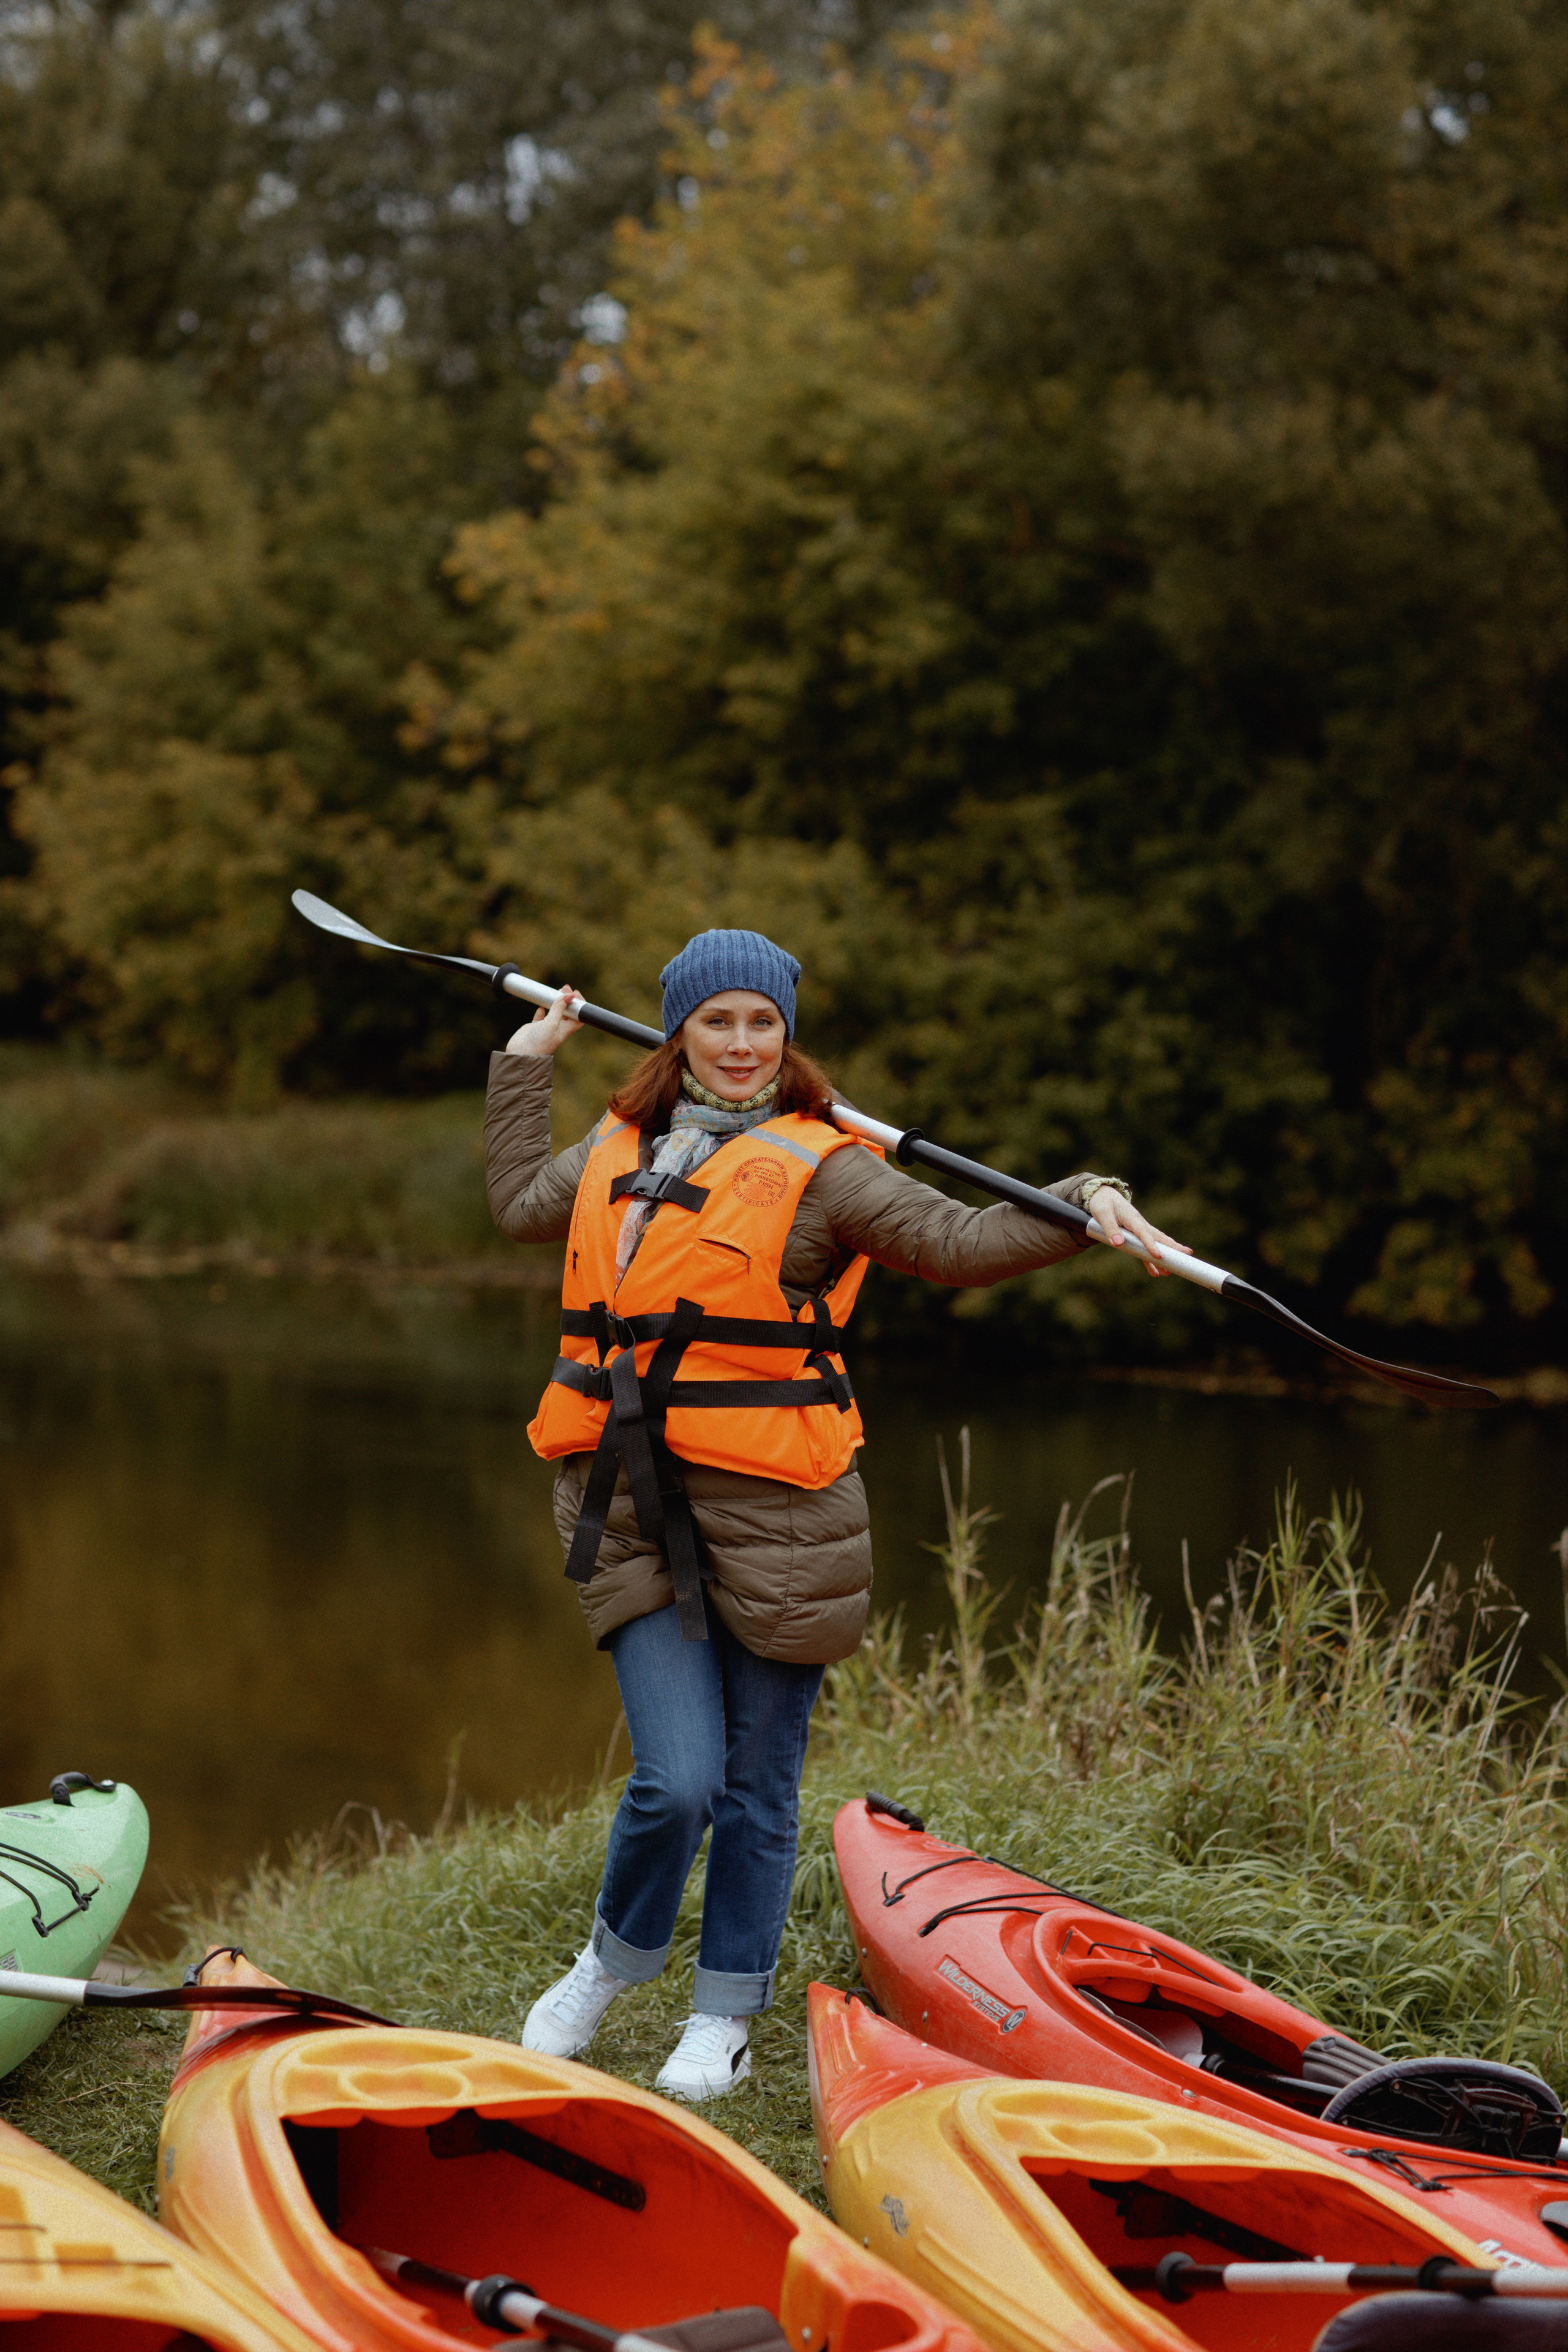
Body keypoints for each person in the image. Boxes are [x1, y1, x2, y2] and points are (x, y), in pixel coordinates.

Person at [483, 927, 1186, 2100]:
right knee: (677, 1781)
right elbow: (514, 1202)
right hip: (628, 1504)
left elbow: (960, 1242)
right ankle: (608, 1967)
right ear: (678, 1032)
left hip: (784, 1526)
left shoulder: (830, 1166)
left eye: (765, 1022)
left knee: (759, 1786)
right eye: (720, 1021)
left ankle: (723, 2016)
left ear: (788, 1036)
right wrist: (524, 1059)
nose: (745, 1044)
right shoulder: (617, 1145)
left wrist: (1084, 1201)